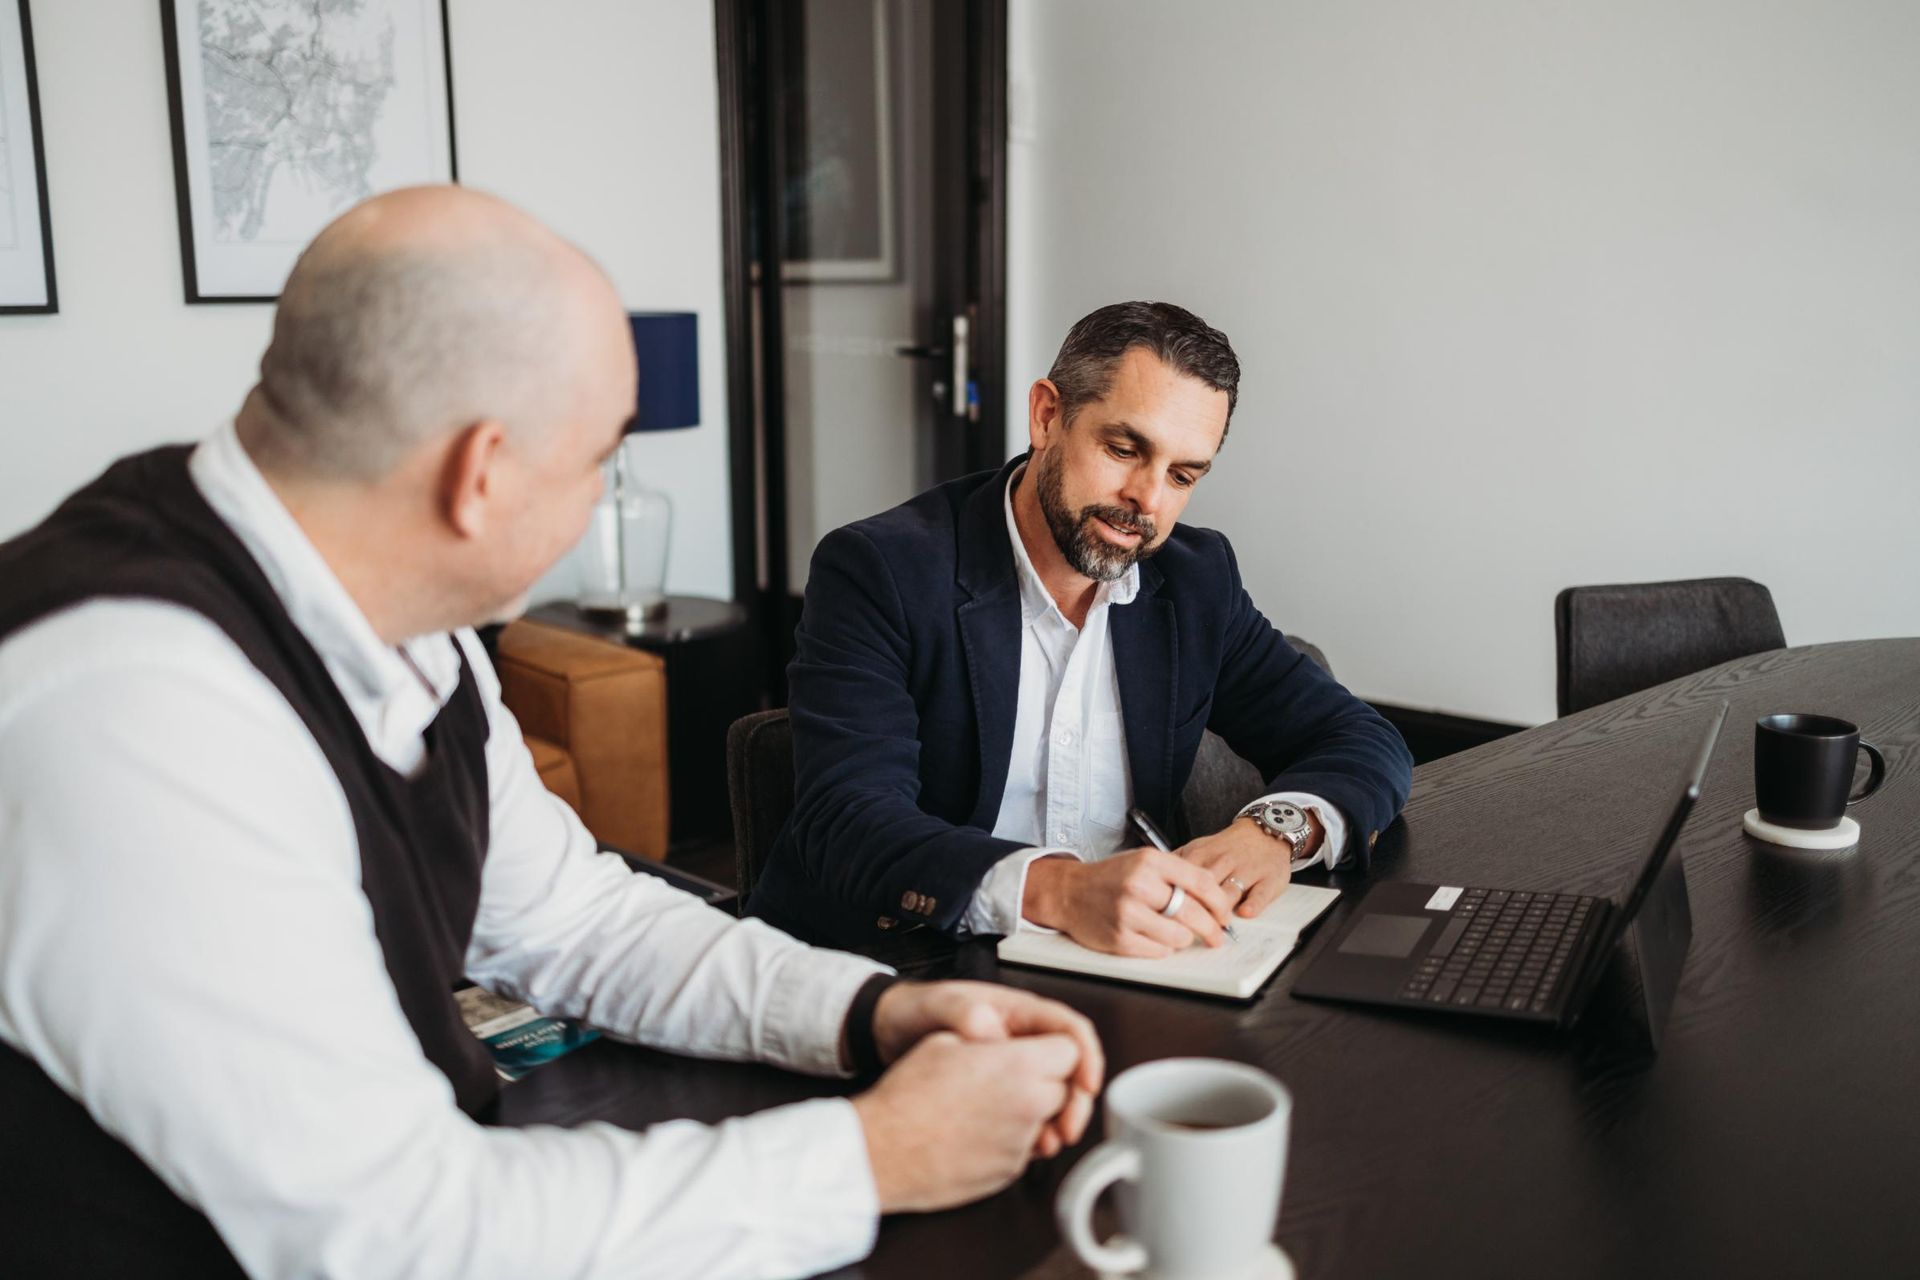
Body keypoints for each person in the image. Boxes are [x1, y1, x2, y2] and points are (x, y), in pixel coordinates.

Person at [0, 186, 1102, 1280]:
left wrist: (867, 1010)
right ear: (480, 474)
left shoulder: (405, 616)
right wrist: (874, 1157)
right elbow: (395, 1234)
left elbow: (572, 918)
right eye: (595, 462)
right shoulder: (140, 715)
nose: (597, 502)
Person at [748, 301, 1414, 955]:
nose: (1147, 500)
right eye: (1124, 449)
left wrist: (1273, 830)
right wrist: (1065, 891)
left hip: (1124, 968)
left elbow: (1360, 737)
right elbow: (849, 823)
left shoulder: (1194, 582)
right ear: (1047, 416)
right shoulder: (881, 571)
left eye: (1182, 475)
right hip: (911, 959)